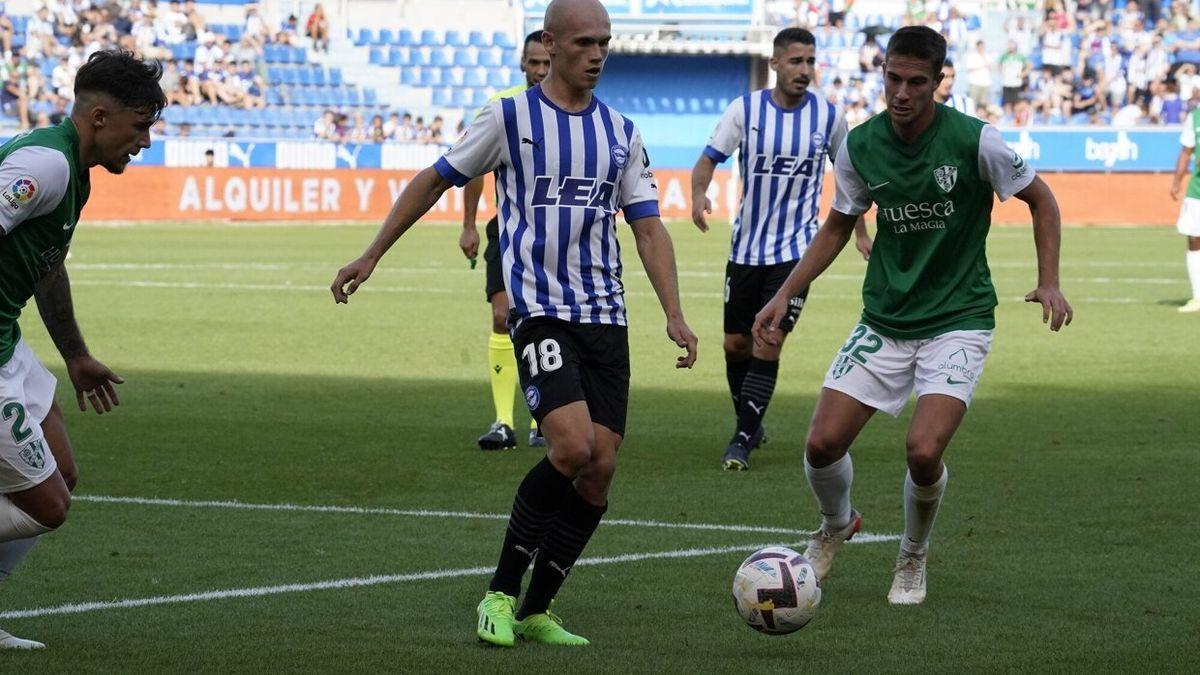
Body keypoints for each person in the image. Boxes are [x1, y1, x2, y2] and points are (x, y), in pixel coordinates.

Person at [331, 0, 696, 647]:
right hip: (541, 311)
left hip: (605, 316)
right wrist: (371, 252)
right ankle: (497, 591)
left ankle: (537, 607)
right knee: (571, 446)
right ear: (549, 45)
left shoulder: (621, 131)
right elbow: (435, 179)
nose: (597, 53)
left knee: (602, 464)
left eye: (604, 42)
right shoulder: (509, 117)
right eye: (584, 41)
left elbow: (646, 225)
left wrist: (673, 311)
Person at [753, 26, 1072, 606]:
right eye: (892, 79)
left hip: (958, 318)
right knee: (821, 444)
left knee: (923, 451)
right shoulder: (861, 145)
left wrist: (1048, 281)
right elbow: (839, 224)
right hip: (885, 320)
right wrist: (784, 293)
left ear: (938, 81)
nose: (901, 92)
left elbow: (1042, 199)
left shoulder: (977, 141)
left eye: (916, 82)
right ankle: (835, 525)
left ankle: (912, 554)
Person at [0, 50, 163, 649]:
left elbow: (48, 269)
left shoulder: (76, 171)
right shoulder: (46, 165)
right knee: (46, 507)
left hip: (8, 342)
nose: (144, 141)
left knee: (61, 475)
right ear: (99, 116)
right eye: (140, 125)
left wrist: (74, 355)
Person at [690, 27, 870, 471]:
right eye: (795, 61)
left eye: (810, 61)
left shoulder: (828, 118)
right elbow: (708, 159)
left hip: (796, 254)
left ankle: (740, 441)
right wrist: (698, 195)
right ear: (774, 64)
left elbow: (850, 178)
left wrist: (861, 232)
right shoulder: (746, 110)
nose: (804, 70)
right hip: (746, 249)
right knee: (736, 345)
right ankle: (750, 422)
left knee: (767, 339)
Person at [458, 30, 551, 451]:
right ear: (523, 64)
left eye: (546, 63)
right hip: (507, 229)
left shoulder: (572, 111)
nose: (540, 71)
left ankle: (542, 419)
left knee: (543, 322)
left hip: (553, 233)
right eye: (534, 63)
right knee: (502, 317)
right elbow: (474, 167)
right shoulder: (504, 108)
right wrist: (469, 224)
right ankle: (502, 422)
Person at [1169, 103, 1200, 312]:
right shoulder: (1195, 117)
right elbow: (1186, 151)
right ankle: (1198, 296)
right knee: (1194, 238)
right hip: (1198, 190)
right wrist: (1177, 181)